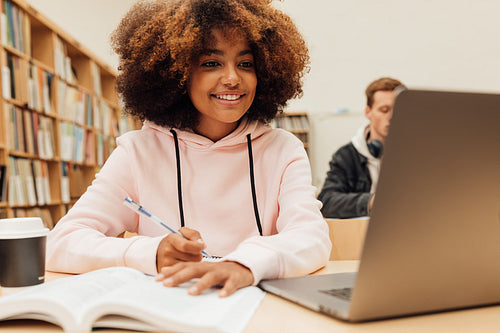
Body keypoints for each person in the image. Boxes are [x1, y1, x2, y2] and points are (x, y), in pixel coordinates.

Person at [46, 0, 331, 298]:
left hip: (258, 311)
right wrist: (152, 252)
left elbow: (312, 237)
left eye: (246, 64)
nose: (233, 78)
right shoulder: (137, 152)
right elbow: (61, 242)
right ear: (176, 74)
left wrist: (245, 264)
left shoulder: (284, 150)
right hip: (170, 309)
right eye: (211, 63)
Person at [318, 77, 405, 218]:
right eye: (384, 110)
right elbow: (326, 202)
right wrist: (372, 201)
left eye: (398, 110)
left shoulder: (415, 154)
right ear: (368, 112)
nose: (392, 117)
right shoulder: (346, 156)